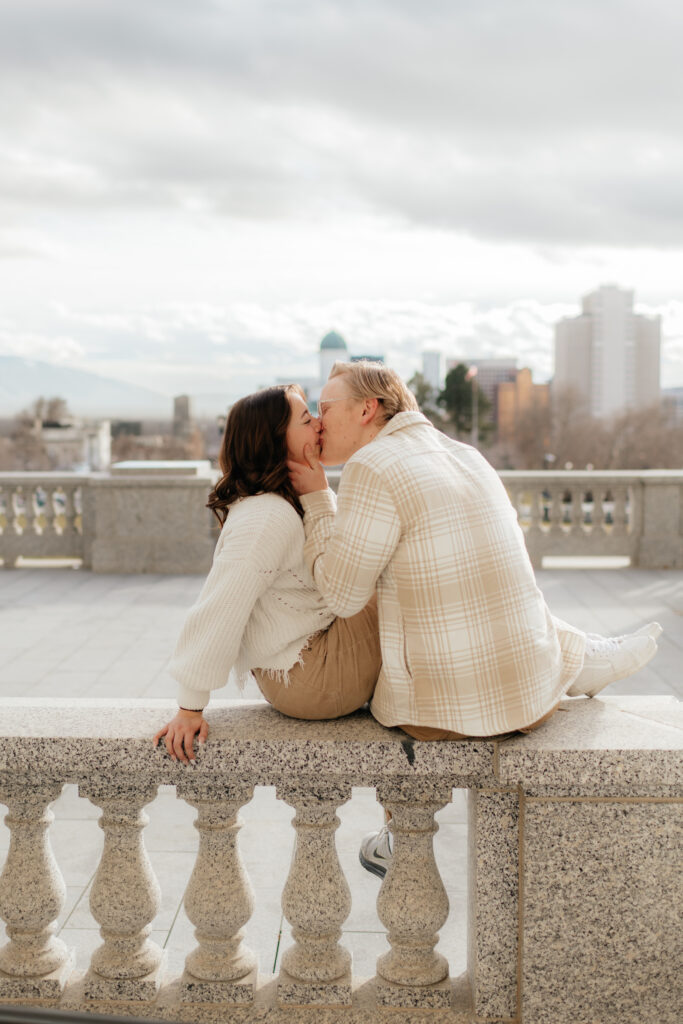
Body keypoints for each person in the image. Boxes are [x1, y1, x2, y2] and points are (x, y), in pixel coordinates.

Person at [287, 360, 661, 877]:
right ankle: (579, 658)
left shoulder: (371, 467)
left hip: (442, 714)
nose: (319, 422)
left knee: (372, 642)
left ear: (367, 409)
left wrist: (315, 499)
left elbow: (342, 595)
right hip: (534, 694)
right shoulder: (466, 454)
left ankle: (397, 836)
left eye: (325, 409)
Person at [153, 384, 381, 765]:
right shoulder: (266, 517)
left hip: (302, 672)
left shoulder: (281, 503)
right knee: (400, 573)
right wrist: (190, 707)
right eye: (307, 419)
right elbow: (221, 605)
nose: (320, 424)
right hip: (312, 677)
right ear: (277, 441)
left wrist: (316, 493)